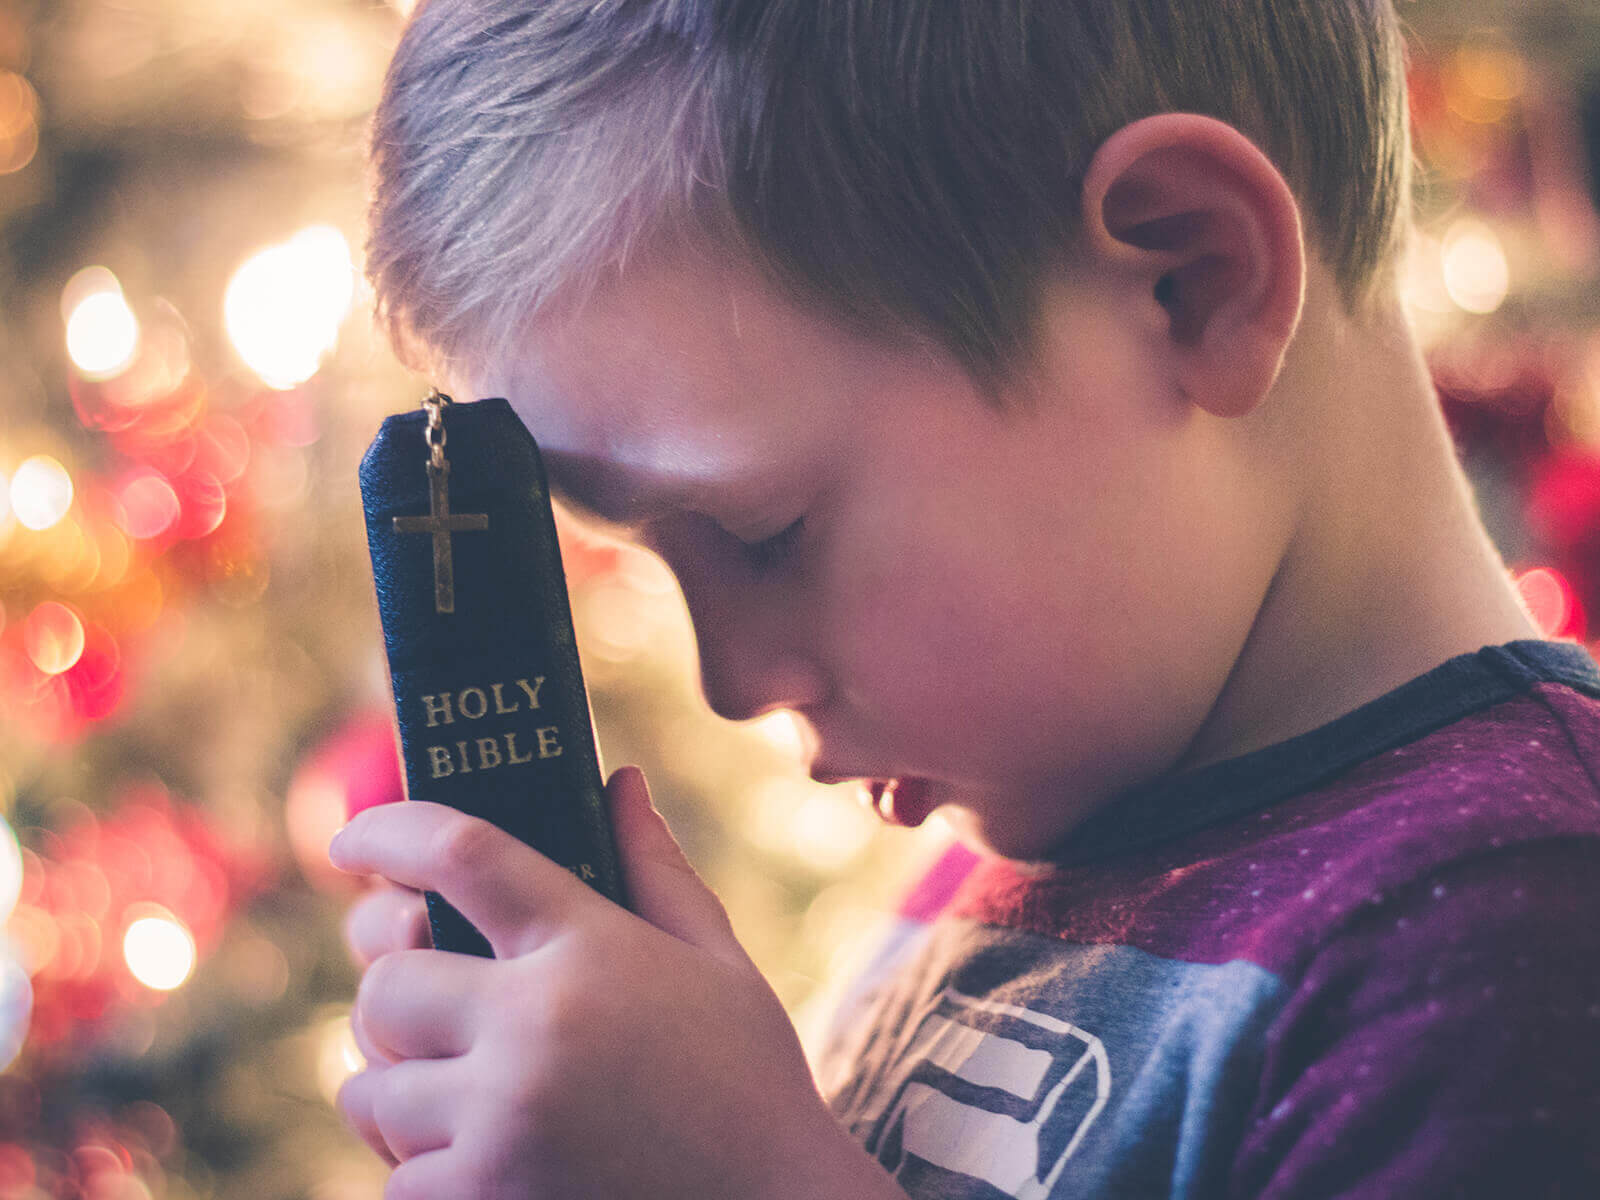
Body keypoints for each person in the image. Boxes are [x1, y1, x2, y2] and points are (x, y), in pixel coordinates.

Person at [329, 1, 1600, 1196]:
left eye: (767, 536)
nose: (731, 684)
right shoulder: (1004, 860)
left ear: (1190, 280)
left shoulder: (1517, 937)